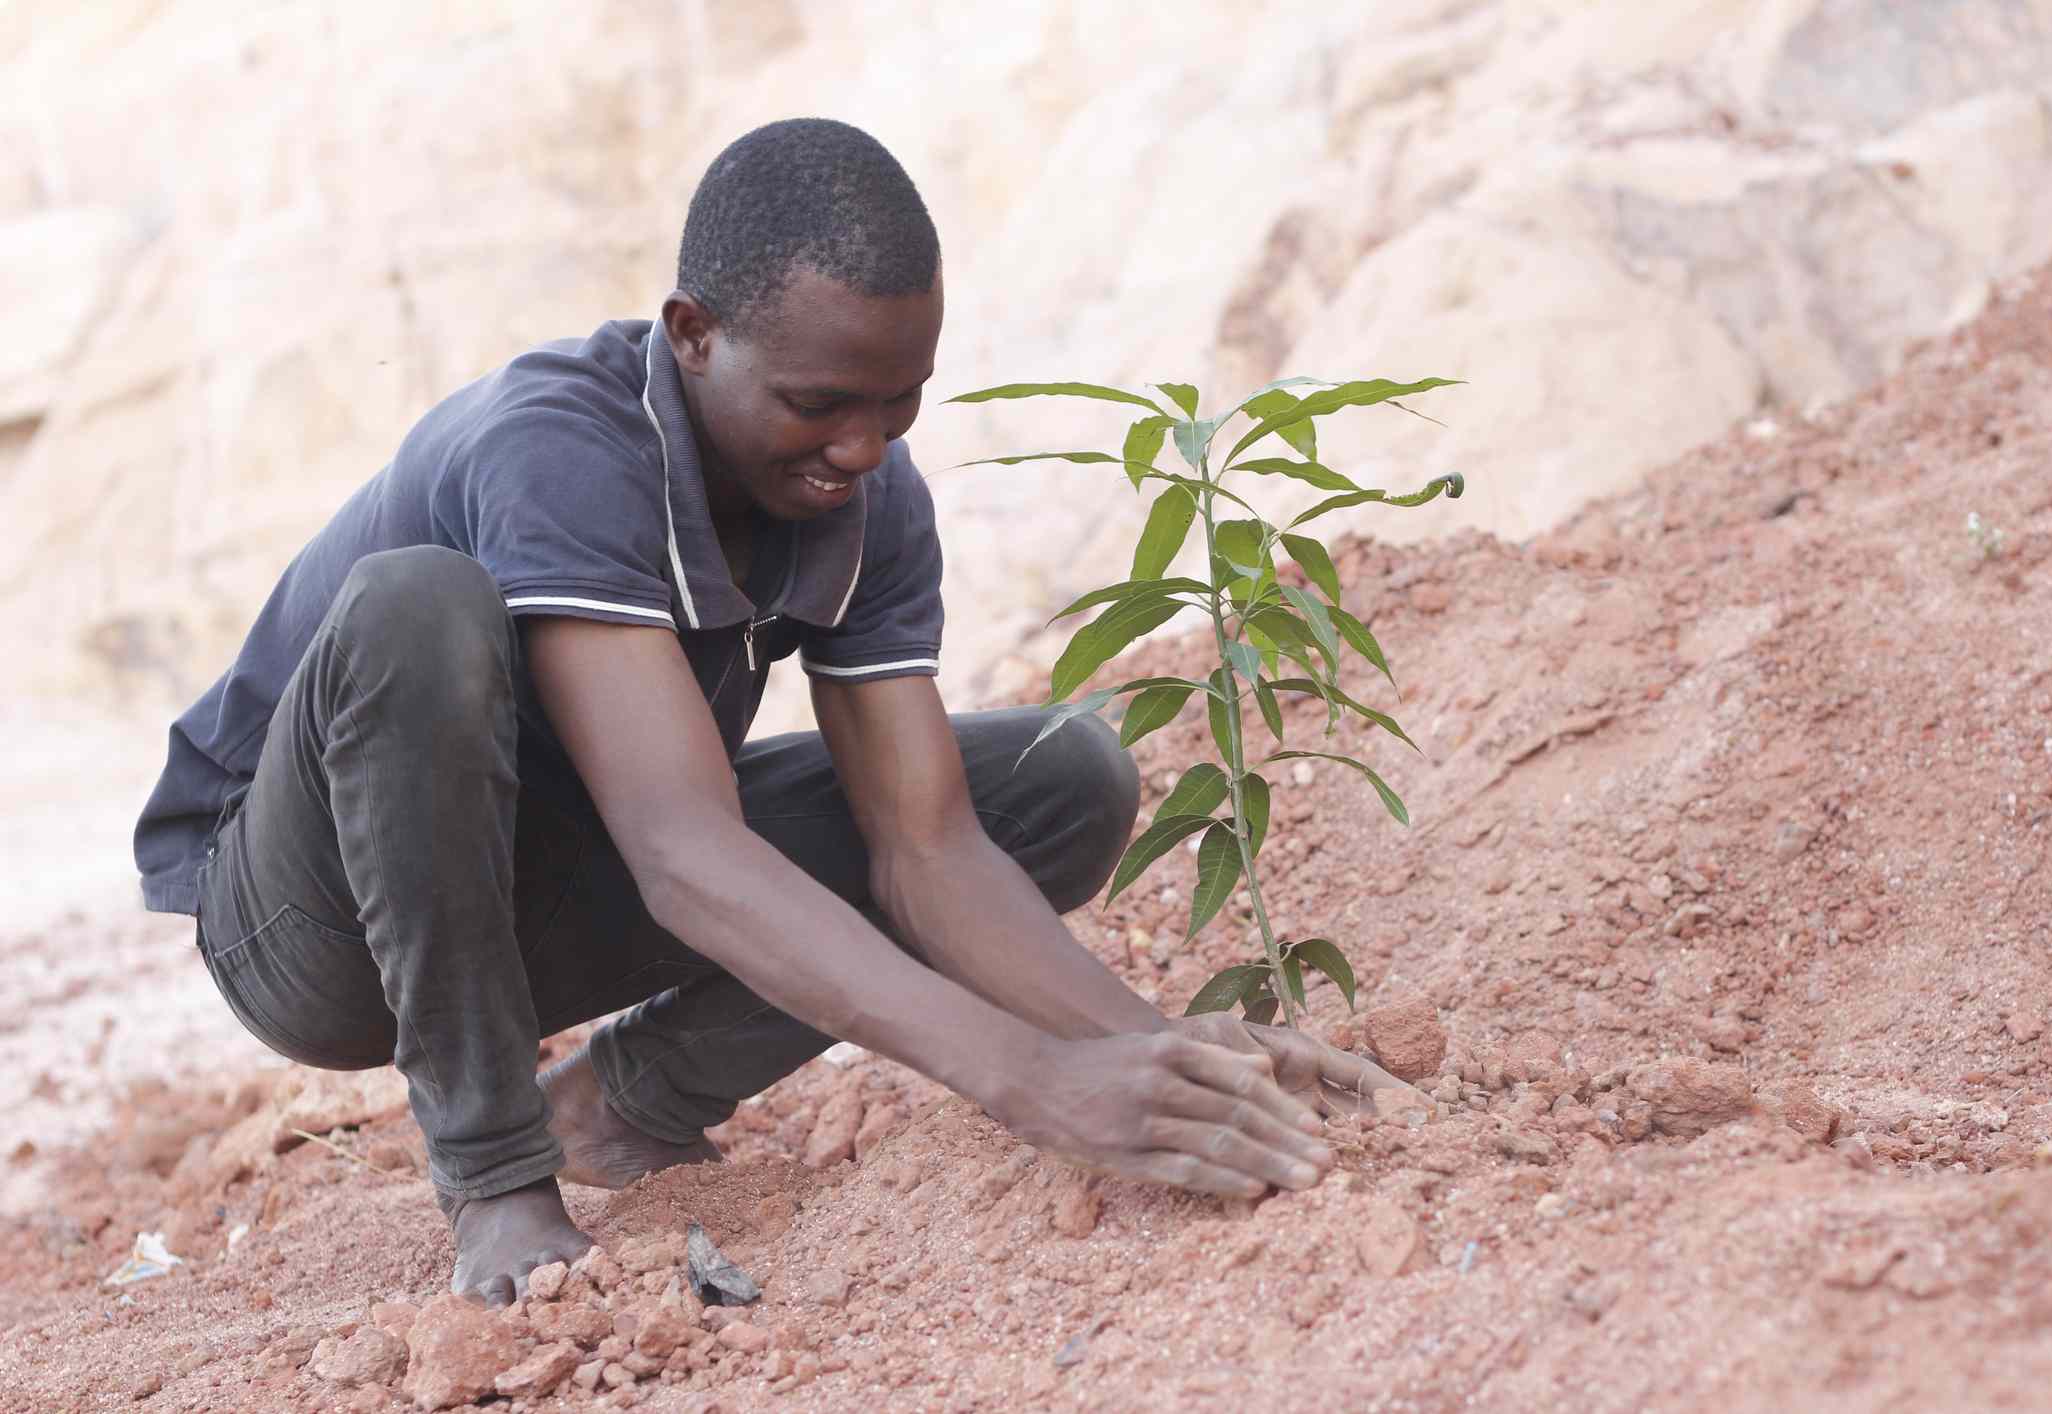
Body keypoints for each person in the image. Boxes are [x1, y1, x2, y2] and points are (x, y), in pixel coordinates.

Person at [135, 118, 1393, 1304]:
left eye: (896, 403)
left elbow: (929, 848)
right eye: (817, 402)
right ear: (692, 333)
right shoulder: (561, 446)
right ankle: (498, 1177)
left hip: (555, 878)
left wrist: (1164, 1056)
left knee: (1056, 783)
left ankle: (621, 1104)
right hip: (320, 921)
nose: (860, 447)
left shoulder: (869, 503)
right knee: (419, 607)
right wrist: (1032, 1081)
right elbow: (687, 853)